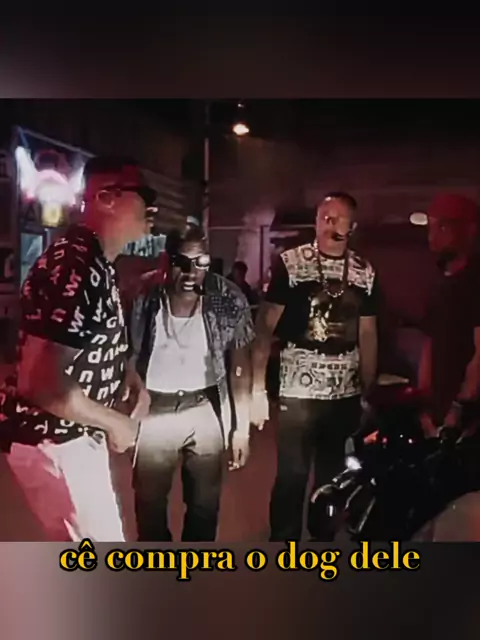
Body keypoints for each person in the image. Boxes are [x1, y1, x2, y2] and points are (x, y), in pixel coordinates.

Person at [0, 156, 156, 541]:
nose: (153, 207)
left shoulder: (96, 262)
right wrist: (116, 423)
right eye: (145, 195)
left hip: (72, 434)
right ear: (105, 198)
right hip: (57, 439)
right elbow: (42, 383)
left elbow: (86, 336)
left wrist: (126, 374)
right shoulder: (77, 265)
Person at [251, 192, 379, 541]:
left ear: (352, 226)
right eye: (324, 216)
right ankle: (284, 546)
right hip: (298, 391)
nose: (328, 224)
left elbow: (368, 333)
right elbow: (264, 327)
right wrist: (257, 389)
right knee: (291, 475)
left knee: (333, 477)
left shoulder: (364, 272)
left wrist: (368, 390)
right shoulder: (291, 263)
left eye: (337, 218)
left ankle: (322, 544)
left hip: (344, 393)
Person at [129, 223, 254, 541]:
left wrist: (241, 428)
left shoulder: (226, 296)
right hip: (154, 408)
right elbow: (125, 353)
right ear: (166, 260)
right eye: (181, 262)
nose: (191, 272)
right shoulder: (143, 295)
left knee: (204, 506)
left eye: (201, 263)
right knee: (149, 506)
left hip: (205, 406)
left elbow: (240, 363)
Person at [419, 193, 480, 434]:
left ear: (469, 230)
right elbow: (429, 344)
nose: (433, 236)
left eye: (443, 227)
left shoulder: (474, 281)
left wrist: (461, 405)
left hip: (468, 418)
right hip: (440, 413)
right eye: (431, 227)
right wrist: (423, 404)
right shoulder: (440, 284)